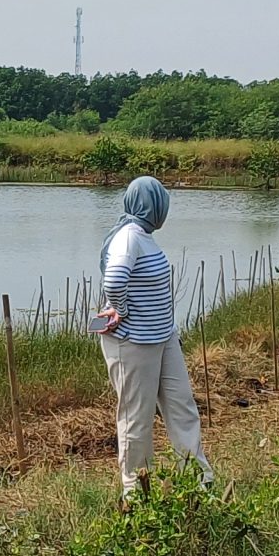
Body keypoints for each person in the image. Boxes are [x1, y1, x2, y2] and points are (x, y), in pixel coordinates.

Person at [92, 176, 207, 502]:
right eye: (162, 203)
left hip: (162, 337)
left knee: (182, 407)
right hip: (133, 342)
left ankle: (199, 480)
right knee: (136, 419)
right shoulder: (128, 237)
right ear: (152, 205)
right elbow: (114, 280)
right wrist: (121, 310)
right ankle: (137, 493)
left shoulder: (143, 236)